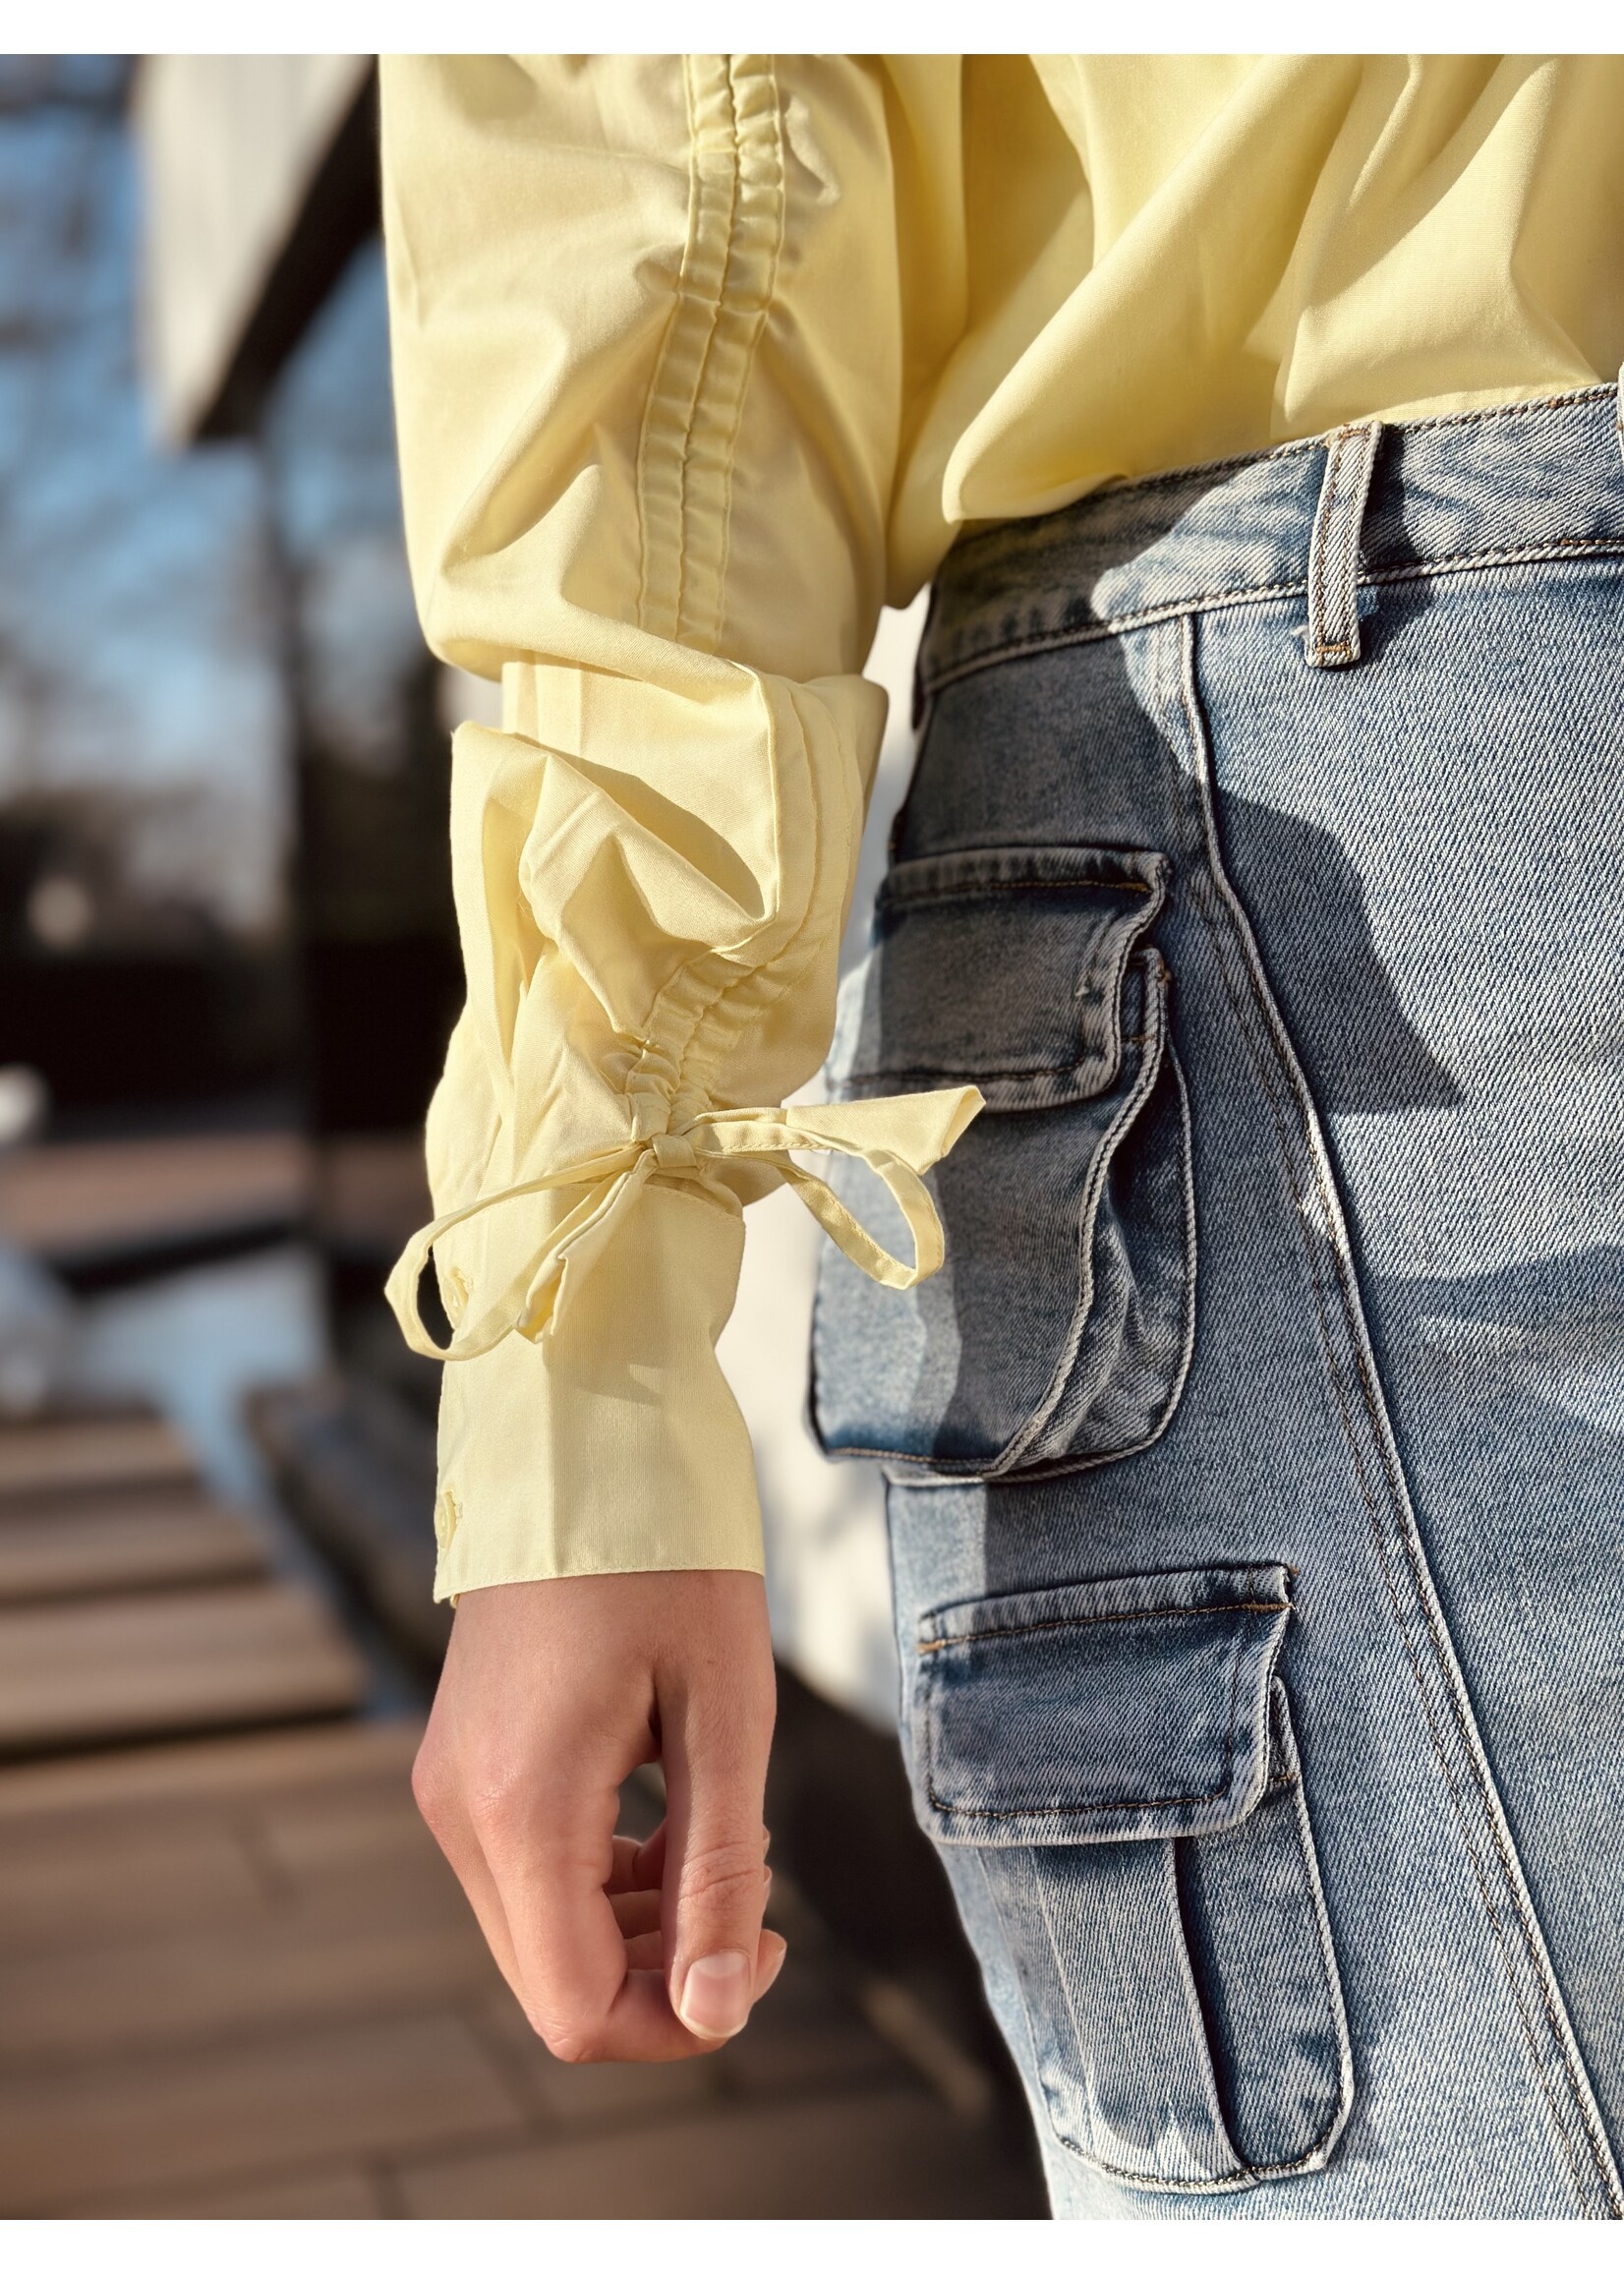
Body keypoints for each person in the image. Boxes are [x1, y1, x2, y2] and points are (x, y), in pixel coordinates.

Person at [377, 56, 1624, 2218]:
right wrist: (578, 1378)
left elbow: (666, 212)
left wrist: (573, 1379)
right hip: (1369, 714)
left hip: (1365, 703)